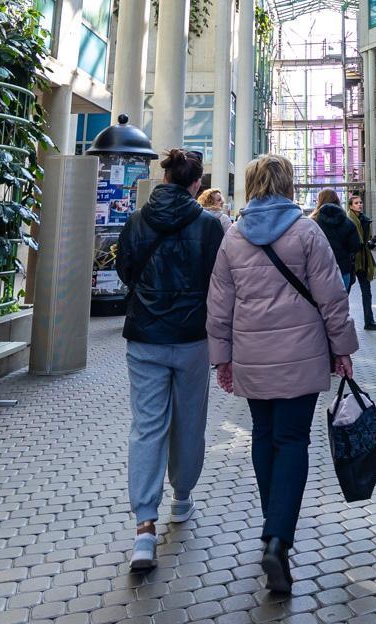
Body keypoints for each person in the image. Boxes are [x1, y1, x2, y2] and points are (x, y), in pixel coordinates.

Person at [209, 154, 360, 594]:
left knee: (263, 435)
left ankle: (271, 524)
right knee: (293, 439)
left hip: (253, 356)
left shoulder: (234, 236)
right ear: (288, 185)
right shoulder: (307, 232)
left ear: (253, 184)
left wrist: (222, 358)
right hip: (301, 354)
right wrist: (343, 349)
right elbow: (332, 297)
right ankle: (278, 539)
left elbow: (219, 305)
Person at [116, 148, 225, 572]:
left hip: (145, 336)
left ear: (164, 180)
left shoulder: (137, 221)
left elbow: (126, 270)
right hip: (194, 337)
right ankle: (182, 496)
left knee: (146, 428)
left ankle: (144, 528)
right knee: (190, 420)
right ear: (196, 184)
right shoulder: (209, 225)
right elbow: (219, 282)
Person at [311, 189, 361, 291]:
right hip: (343, 270)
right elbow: (355, 246)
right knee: (342, 303)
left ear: (320, 201)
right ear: (337, 200)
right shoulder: (348, 222)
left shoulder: (312, 222)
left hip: (319, 270)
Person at [347, 192, 376, 330]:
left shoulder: (365, 220)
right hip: (351, 261)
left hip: (364, 260)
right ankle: (340, 321)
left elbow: (365, 244)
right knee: (345, 292)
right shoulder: (348, 220)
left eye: (360, 202)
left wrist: (370, 243)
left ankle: (369, 321)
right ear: (350, 206)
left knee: (367, 292)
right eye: (356, 203)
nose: (360, 205)